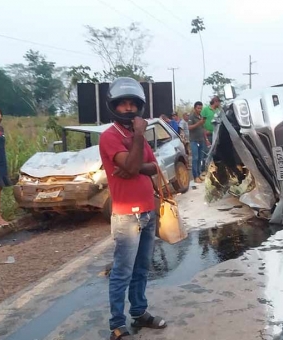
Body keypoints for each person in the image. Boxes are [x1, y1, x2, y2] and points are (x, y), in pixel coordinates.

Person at [99, 77, 167, 340]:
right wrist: (139, 137)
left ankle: (139, 312)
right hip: (128, 215)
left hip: (148, 211)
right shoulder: (110, 137)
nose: (128, 108)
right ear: (114, 106)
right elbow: (132, 166)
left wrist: (132, 164)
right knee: (122, 271)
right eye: (122, 103)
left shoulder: (133, 137)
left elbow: (152, 166)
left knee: (141, 269)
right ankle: (117, 324)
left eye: (132, 103)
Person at [188, 101, 209, 183]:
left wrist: (206, 139)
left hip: (201, 140)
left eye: (201, 108)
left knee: (200, 158)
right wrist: (199, 123)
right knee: (195, 158)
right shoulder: (191, 117)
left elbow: (202, 129)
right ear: (194, 108)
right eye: (198, 108)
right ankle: (195, 176)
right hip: (194, 141)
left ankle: (200, 174)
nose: (200, 110)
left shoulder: (201, 116)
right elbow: (189, 127)